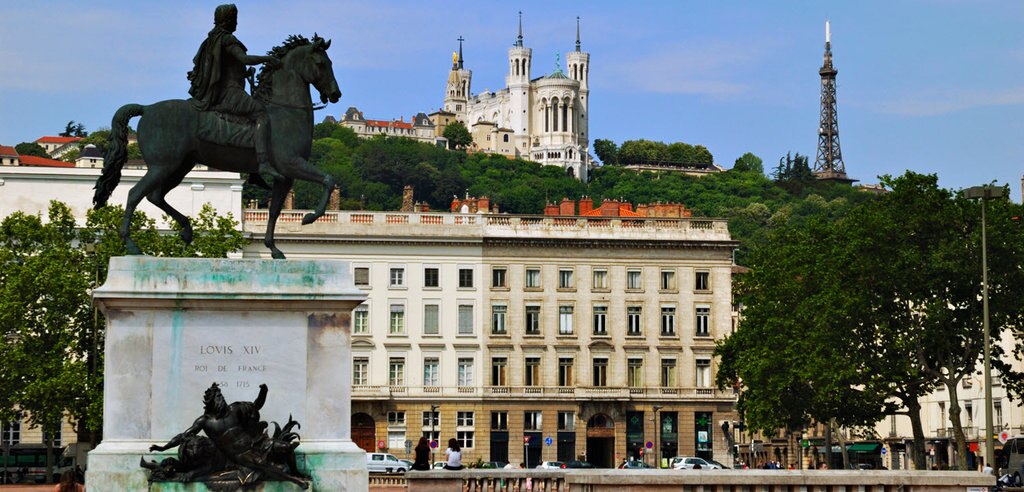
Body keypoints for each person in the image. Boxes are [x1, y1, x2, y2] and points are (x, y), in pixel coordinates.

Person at [188, 4, 282, 182]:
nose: (236, 22)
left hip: (219, 90)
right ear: (229, 20)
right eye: (235, 18)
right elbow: (244, 59)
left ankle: (253, 169)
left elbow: (225, 67)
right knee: (261, 115)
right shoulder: (227, 39)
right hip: (229, 92)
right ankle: (262, 163)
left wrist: (244, 74)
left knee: (248, 119)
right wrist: (268, 59)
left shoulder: (211, 40)